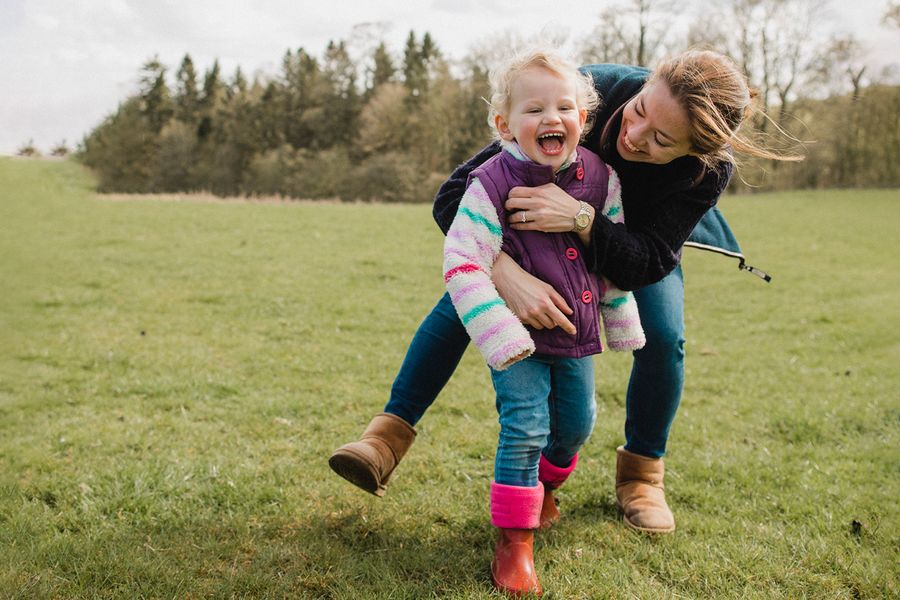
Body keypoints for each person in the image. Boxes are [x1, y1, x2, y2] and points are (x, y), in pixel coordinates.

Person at [329, 49, 795, 541]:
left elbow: (650, 260)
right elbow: (453, 198)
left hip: (628, 243)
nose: (634, 136)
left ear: (694, 150)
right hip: (535, 240)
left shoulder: (707, 169)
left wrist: (580, 218)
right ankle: (386, 438)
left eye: (661, 140)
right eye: (638, 111)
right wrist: (504, 272)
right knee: (462, 300)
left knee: (663, 335)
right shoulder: (576, 95)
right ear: (643, 84)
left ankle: (641, 473)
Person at [440, 48, 645, 596]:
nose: (550, 118)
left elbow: (614, 254)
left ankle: (546, 487)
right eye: (534, 110)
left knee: (576, 426)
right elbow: (462, 259)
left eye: (564, 107)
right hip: (517, 340)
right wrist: (500, 332)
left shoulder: (602, 179)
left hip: (576, 333)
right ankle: (514, 541)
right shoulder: (489, 182)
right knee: (526, 427)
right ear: (505, 124)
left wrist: (616, 314)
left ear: (584, 118)